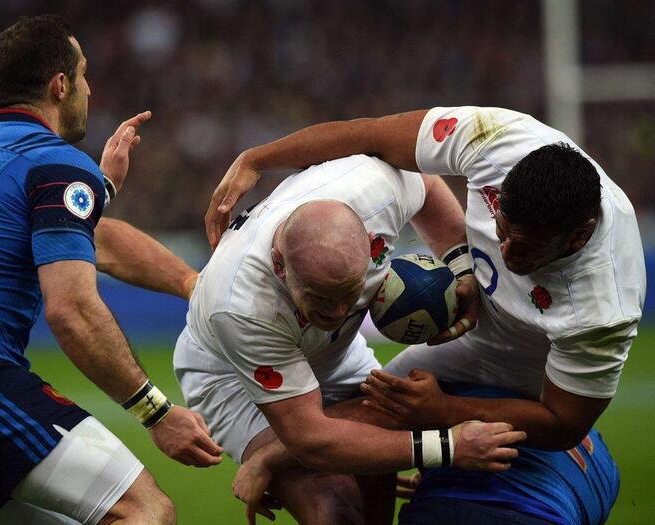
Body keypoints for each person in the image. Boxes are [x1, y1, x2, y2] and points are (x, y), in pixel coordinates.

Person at [0, 15, 220, 525]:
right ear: (60, 85)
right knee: (145, 512)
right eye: (81, 74)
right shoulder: (55, 163)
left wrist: (100, 190)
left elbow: (34, 219)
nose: (87, 87)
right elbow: (72, 310)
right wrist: (157, 414)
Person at [205, 106, 645, 453]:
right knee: (375, 401)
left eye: (526, 249)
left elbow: (565, 423)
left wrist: (447, 410)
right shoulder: (498, 138)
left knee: (387, 414)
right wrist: (257, 158)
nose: (506, 253)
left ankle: (268, 458)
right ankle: (277, 458)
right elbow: (372, 135)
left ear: (579, 237)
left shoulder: (603, 308)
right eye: (501, 228)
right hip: (471, 323)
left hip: (528, 359)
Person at [175, 152, 526, 524]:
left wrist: (462, 267)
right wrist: (448, 447)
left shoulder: (374, 190)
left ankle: (272, 456)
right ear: (279, 265)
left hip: (337, 353)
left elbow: (426, 185)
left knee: (376, 489)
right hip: (233, 373)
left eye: (350, 292)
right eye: (322, 298)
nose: (340, 312)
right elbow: (313, 440)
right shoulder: (241, 305)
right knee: (334, 506)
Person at [393, 383, 619, 525]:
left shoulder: (461, 387)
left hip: (460, 508)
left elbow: (366, 427)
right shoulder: (603, 460)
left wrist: (440, 455)